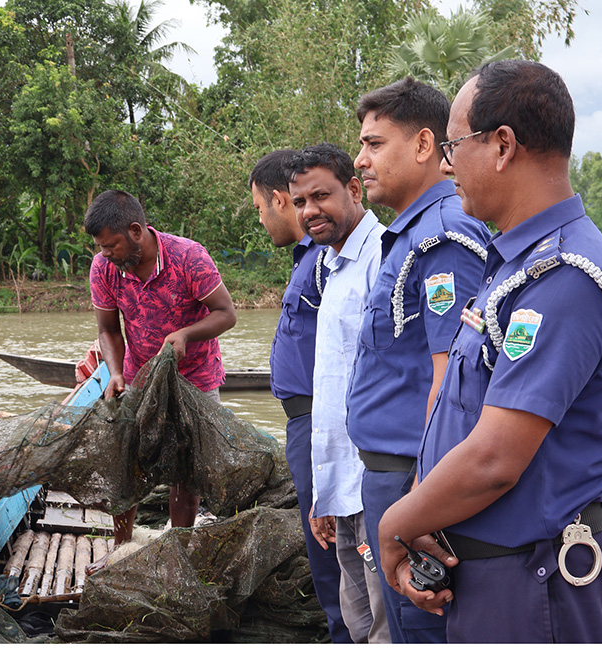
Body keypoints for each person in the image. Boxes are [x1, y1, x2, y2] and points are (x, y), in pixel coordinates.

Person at [378, 59, 602, 643]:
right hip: (492, 574)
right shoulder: (514, 266)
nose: (446, 166)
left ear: (501, 146)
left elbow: (496, 459)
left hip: (536, 581)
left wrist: (395, 523)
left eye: (453, 146)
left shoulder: (567, 276)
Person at [346, 76, 490, 643]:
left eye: (375, 144)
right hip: (391, 476)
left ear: (425, 145)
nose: (361, 160)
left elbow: (450, 382)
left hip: (413, 481)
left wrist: (424, 503)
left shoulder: (443, 238)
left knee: (419, 629)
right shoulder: (408, 235)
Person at [84, 189, 237, 548]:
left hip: (196, 378)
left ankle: (178, 547)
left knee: (186, 471)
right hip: (139, 376)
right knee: (127, 462)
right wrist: (116, 372)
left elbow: (226, 314)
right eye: (101, 247)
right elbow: (108, 330)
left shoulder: (188, 257)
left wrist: (185, 334)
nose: (106, 254)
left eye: (112, 245)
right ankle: (122, 549)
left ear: (136, 231)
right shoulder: (104, 268)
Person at [288, 143, 389, 643]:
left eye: (320, 196)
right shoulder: (332, 264)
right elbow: (332, 387)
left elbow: (394, 382)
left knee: (387, 625)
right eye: (299, 202)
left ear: (353, 189)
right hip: (342, 489)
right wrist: (324, 495)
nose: (309, 212)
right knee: (357, 621)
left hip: (376, 487)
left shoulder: (383, 257)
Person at [249, 150, 350, 643]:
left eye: (260, 209)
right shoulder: (308, 260)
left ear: (276, 200)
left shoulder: (326, 262)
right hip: (305, 424)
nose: (263, 220)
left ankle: (342, 634)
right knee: (324, 544)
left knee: (330, 549)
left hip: (321, 423)